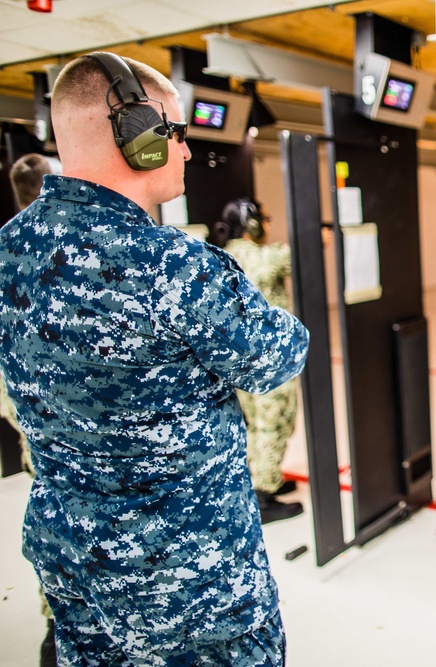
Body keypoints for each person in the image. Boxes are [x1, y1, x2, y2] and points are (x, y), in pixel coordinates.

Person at [0, 51, 309, 665]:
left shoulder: (9, 248)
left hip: (72, 560)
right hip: (186, 579)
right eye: (175, 132)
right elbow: (279, 357)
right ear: (135, 136)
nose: (187, 150)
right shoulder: (175, 265)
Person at [209, 197, 303, 524]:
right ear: (250, 223)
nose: (267, 224)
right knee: (274, 422)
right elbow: (290, 258)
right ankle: (262, 493)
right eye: (263, 218)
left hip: (240, 361)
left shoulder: (222, 256)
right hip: (268, 361)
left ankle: (265, 479)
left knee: (253, 423)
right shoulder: (256, 257)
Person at [5, 152, 57, 667]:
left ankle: (53, 623)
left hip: (29, 419)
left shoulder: (5, 249)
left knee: (49, 508)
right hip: (77, 422)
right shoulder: (72, 247)